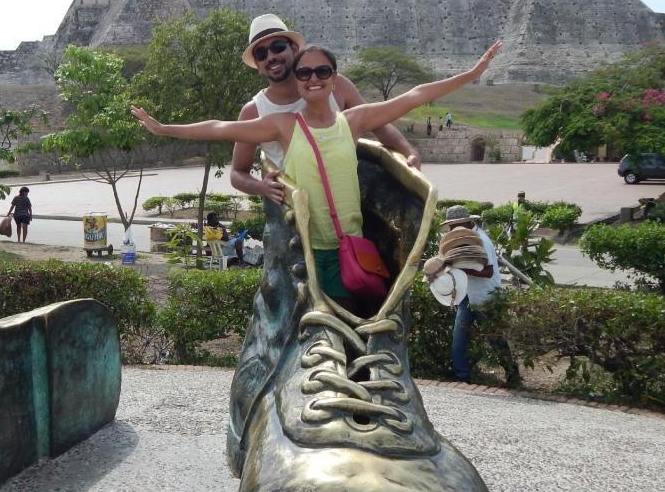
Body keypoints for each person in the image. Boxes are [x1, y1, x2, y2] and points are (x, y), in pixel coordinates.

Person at [132, 41, 502, 311]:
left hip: (355, 248)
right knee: (327, 330)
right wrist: (164, 128)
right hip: (309, 251)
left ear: (333, 77)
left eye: (322, 71)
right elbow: (218, 127)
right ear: (296, 79)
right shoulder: (282, 126)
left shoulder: (352, 121)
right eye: (304, 72)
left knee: (370, 319)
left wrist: (472, 74)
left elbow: (415, 96)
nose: (313, 78)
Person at [230, 15, 421, 205]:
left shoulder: (336, 86)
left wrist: (408, 151)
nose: (271, 57)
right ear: (257, 64)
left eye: (278, 47)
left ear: (294, 49)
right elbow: (237, 172)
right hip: (292, 211)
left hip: (345, 201)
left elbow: (378, 124)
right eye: (262, 54)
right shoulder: (253, 111)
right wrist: (261, 187)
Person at [441, 205, 521, 387]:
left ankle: (512, 375)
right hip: (467, 296)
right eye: (452, 227)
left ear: (468, 223)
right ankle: (462, 377)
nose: (454, 230)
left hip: (486, 297)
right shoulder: (459, 240)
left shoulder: (482, 240)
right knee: (459, 339)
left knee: (495, 339)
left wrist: (462, 269)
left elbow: (488, 272)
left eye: (456, 226)